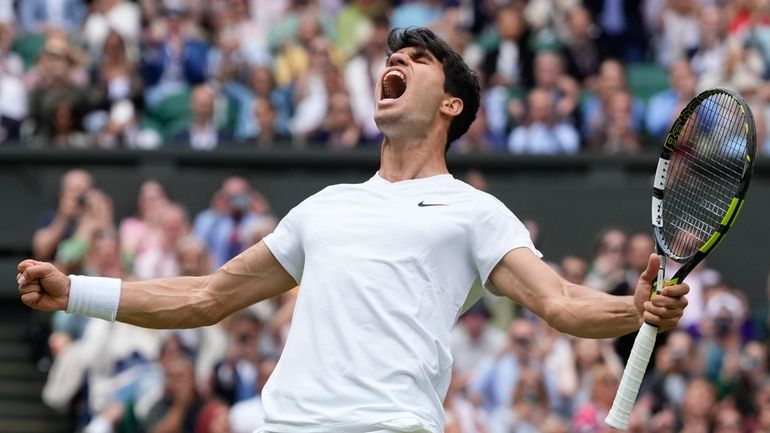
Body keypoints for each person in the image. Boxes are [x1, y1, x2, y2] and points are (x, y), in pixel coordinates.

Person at [17, 27, 689, 433]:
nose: (392, 63)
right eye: (391, 58)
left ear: (452, 104)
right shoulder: (325, 207)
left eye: (417, 60)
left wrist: (633, 309)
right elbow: (205, 296)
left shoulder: (474, 211)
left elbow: (561, 302)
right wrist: (74, 288)